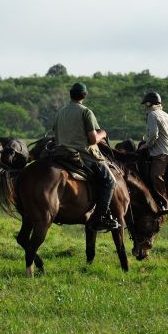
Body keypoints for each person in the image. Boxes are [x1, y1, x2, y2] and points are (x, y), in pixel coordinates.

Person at [52, 82, 120, 231]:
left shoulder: (60, 112)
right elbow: (93, 139)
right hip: (84, 156)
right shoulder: (86, 112)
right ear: (84, 95)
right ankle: (99, 218)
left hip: (61, 153)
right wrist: (103, 133)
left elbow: (56, 136)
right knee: (110, 181)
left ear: (70, 94)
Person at [140, 91, 168, 215]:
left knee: (155, 176)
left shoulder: (152, 114)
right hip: (166, 150)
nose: (144, 107)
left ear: (148, 103)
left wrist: (146, 145)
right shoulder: (165, 114)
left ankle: (163, 203)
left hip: (159, 153)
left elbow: (153, 135)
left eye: (145, 104)